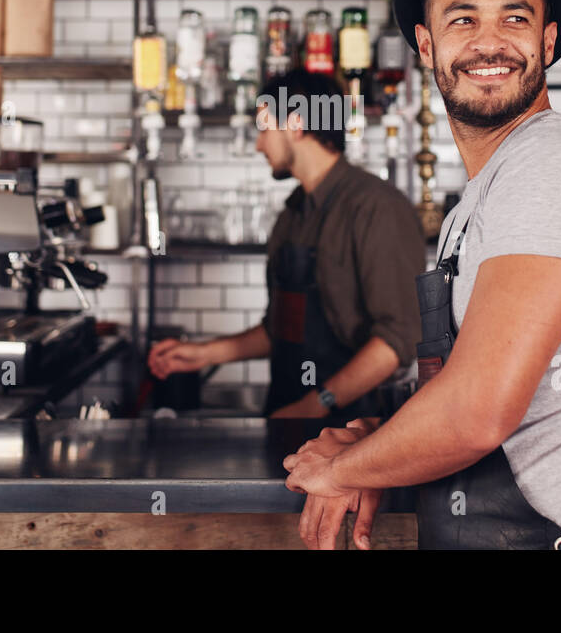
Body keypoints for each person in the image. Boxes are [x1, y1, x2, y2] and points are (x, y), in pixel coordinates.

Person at [284, 0, 561, 549]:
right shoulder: (478, 200)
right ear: (427, 47)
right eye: (463, 19)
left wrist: (342, 470)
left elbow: (479, 411)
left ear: (547, 40)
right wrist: (377, 442)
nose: (490, 42)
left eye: (514, 19)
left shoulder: (556, 163)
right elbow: (456, 391)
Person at [148, 68, 426, 424]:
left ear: (295, 124)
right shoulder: (293, 213)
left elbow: (397, 340)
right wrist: (203, 355)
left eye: (264, 128)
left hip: (355, 428)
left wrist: (316, 404)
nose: (258, 144)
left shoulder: (377, 207)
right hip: (288, 416)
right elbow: (281, 329)